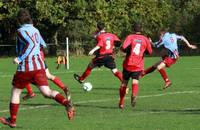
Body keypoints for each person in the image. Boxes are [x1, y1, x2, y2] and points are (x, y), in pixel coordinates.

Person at [0, 8, 75, 128]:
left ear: (19, 20)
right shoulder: (35, 30)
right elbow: (42, 45)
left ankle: (12, 121)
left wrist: (20, 58)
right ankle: (66, 103)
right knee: (46, 92)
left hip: (25, 67)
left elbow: (31, 44)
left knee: (15, 92)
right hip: (39, 66)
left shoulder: (20, 31)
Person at [118, 23, 152, 109]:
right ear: (141, 29)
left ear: (133, 29)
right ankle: (134, 95)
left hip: (128, 64)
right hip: (138, 65)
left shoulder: (130, 37)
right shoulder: (145, 39)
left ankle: (121, 102)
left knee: (124, 84)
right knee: (135, 82)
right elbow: (150, 52)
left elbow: (123, 48)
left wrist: (126, 49)